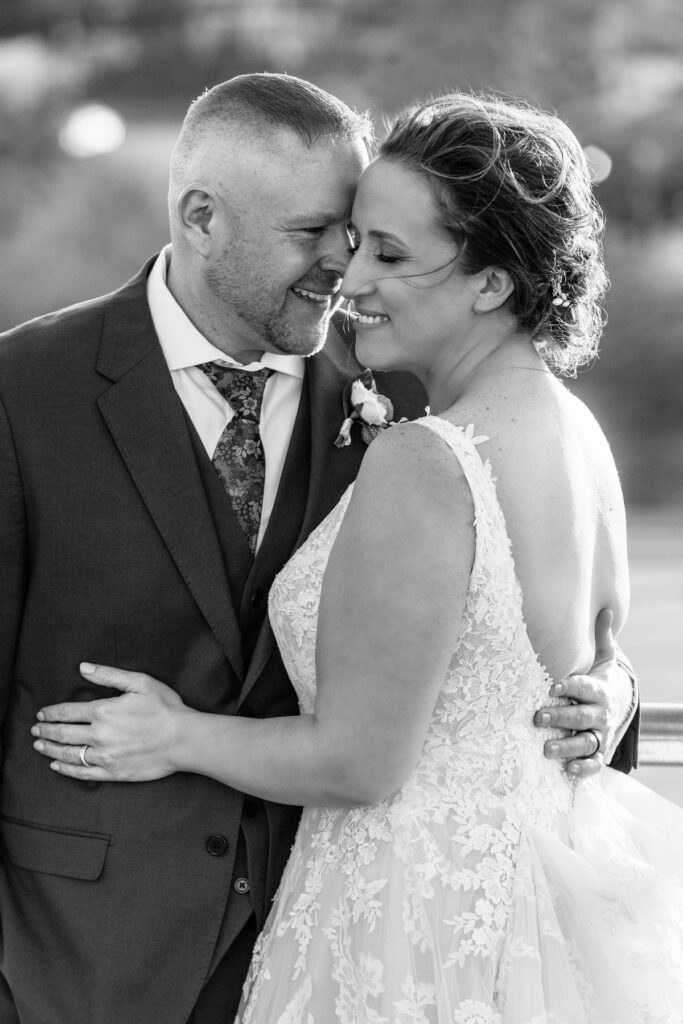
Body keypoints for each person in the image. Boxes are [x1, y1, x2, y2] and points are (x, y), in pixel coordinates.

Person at [2, 76, 636, 1024]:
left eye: (363, 234)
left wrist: (606, 694)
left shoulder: (411, 380)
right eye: (316, 232)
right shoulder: (23, 394)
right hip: (83, 958)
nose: (343, 266)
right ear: (202, 218)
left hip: (353, 942)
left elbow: (529, 616)